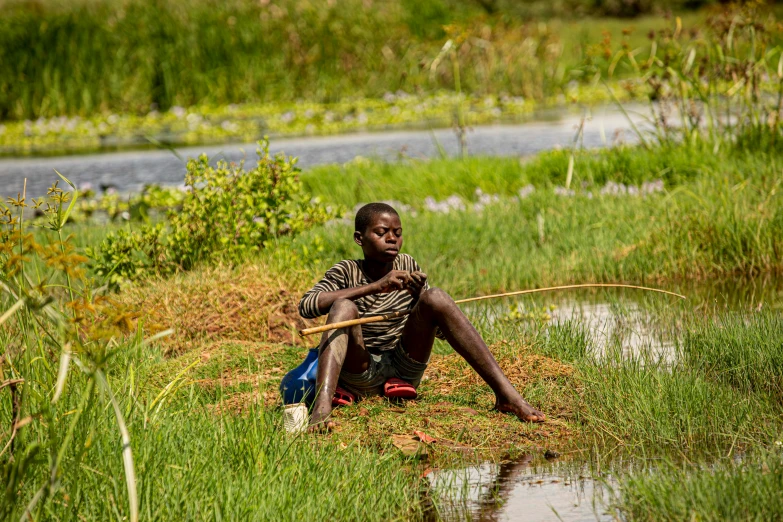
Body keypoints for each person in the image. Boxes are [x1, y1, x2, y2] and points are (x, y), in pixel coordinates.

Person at [298, 202, 545, 431]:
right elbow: (307, 306)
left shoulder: (407, 264)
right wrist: (375, 287)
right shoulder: (346, 270)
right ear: (359, 239)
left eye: (397, 232)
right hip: (359, 370)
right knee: (343, 307)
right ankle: (322, 408)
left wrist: (419, 297)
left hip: (402, 371)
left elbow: (440, 334)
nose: (392, 238)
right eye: (382, 232)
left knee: (435, 296)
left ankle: (507, 396)